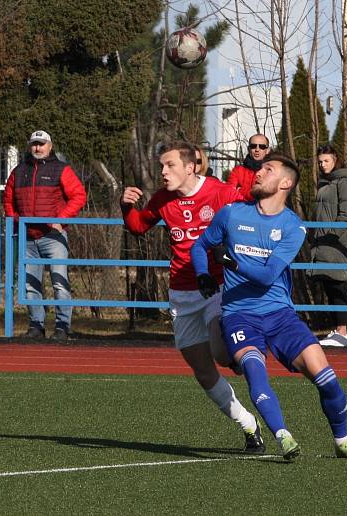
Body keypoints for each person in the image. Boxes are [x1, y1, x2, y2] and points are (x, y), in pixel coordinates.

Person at [191, 153, 347, 461]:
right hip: (239, 315)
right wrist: (203, 274)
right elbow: (200, 245)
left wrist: (230, 262)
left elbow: (267, 275)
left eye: (267, 169)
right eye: (259, 169)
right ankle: (283, 436)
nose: (258, 173)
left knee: (328, 381)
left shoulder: (293, 227)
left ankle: (342, 440)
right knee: (254, 373)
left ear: (285, 182)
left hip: (281, 315)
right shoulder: (231, 214)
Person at [120, 140, 264, 454]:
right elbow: (137, 227)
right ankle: (249, 425)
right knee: (203, 372)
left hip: (216, 285)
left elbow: (257, 211)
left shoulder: (220, 192)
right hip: (181, 294)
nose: (163, 171)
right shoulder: (163, 199)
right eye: (161, 166)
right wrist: (125, 206)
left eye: (169, 165)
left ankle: (241, 352)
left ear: (191, 167)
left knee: (220, 348)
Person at [4, 130, 87, 340]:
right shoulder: (18, 171)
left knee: (59, 282)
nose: (37, 148)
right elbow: (8, 200)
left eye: (41, 144)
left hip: (53, 237)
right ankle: (36, 325)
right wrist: (16, 220)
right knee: (30, 284)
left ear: (50, 146)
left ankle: (62, 326)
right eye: (34, 144)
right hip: (28, 237)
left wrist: (61, 219)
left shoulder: (61, 169)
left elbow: (78, 196)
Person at [309, 145, 347, 347]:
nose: (322, 165)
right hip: (321, 242)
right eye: (320, 161)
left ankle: (343, 331)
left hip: (335, 243)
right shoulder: (325, 182)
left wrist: (332, 235)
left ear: (336, 160)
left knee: (337, 283)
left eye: (326, 161)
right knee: (329, 284)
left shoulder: (345, 183)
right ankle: (337, 329)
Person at [227, 133, 270, 200]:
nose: (257, 150)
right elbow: (229, 193)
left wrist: (239, 190)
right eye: (253, 146)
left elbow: (269, 195)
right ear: (248, 149)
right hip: (240, 209)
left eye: (262, 147)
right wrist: (254, 194)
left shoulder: (271, 172)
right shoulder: (237, 171)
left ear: (267, 150)